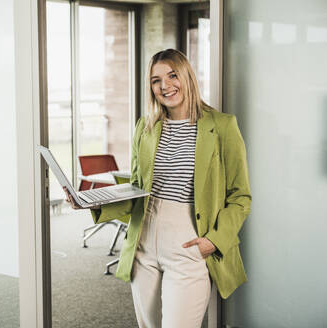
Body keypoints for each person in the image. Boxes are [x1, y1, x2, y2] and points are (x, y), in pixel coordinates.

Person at [63, 48, 252, 328]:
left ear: (187, 76)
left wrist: (214, 240)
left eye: (172, 75)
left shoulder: (222, 126)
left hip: (188, 243)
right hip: (144, 242)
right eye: (155, 80)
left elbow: (240, 197)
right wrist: (92, 201)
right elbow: (138, 191)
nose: (165, 86)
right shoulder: (146, 127)